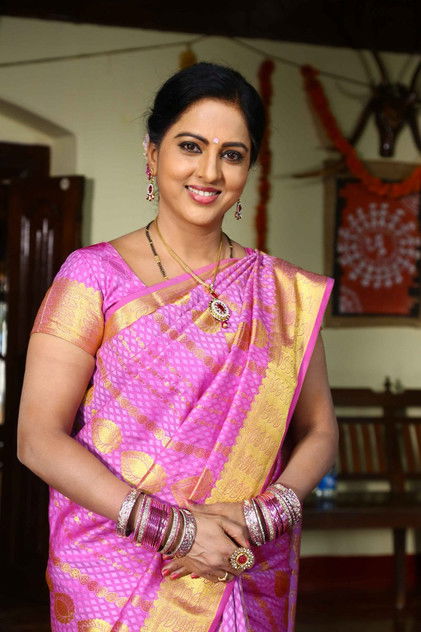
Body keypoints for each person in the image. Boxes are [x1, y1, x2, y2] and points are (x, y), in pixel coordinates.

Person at [17, 62, 338, 632]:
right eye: (190, 146)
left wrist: (257, 521)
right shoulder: (92, 276)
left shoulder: (282, 293)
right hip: (114, 565)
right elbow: (37, 438)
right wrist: (177, 531)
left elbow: (320, 430)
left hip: (242, 554)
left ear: (249, 169)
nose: (209, 171)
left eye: (232, 154)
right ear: (152, 153)